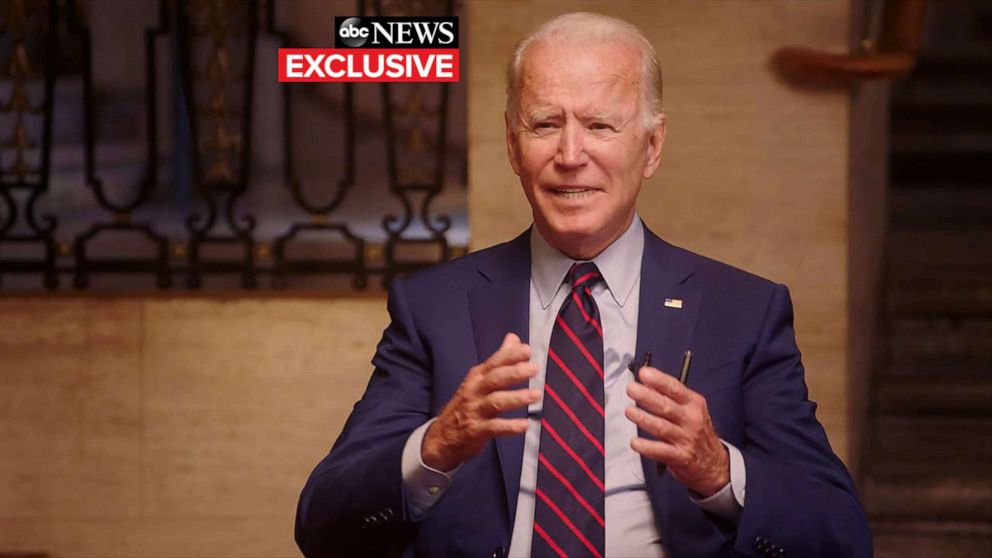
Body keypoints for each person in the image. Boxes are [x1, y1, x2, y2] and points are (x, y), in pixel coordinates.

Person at [296, 12, 872, 558]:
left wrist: (719, 471)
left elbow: (840, 535)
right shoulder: (434, 308)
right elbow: (322, 525)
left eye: (600, 125)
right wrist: (434, 448)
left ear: (652, 146)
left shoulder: (743, 310)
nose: (571, 155)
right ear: (512, 144)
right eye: (545, 124)